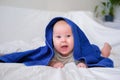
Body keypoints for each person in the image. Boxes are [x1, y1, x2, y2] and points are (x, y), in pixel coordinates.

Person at [0, 17, 113, 68]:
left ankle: (106, 47)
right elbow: (43, 59)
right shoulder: (52, 52)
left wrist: (84, 64)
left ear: (76, 38)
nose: (63, 40)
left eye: (68, 36)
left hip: (90, 48)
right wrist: (53, 63)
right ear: (51, 39)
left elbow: (87, 58)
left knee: (101, 53)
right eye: (58, 37)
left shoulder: (78, 51)